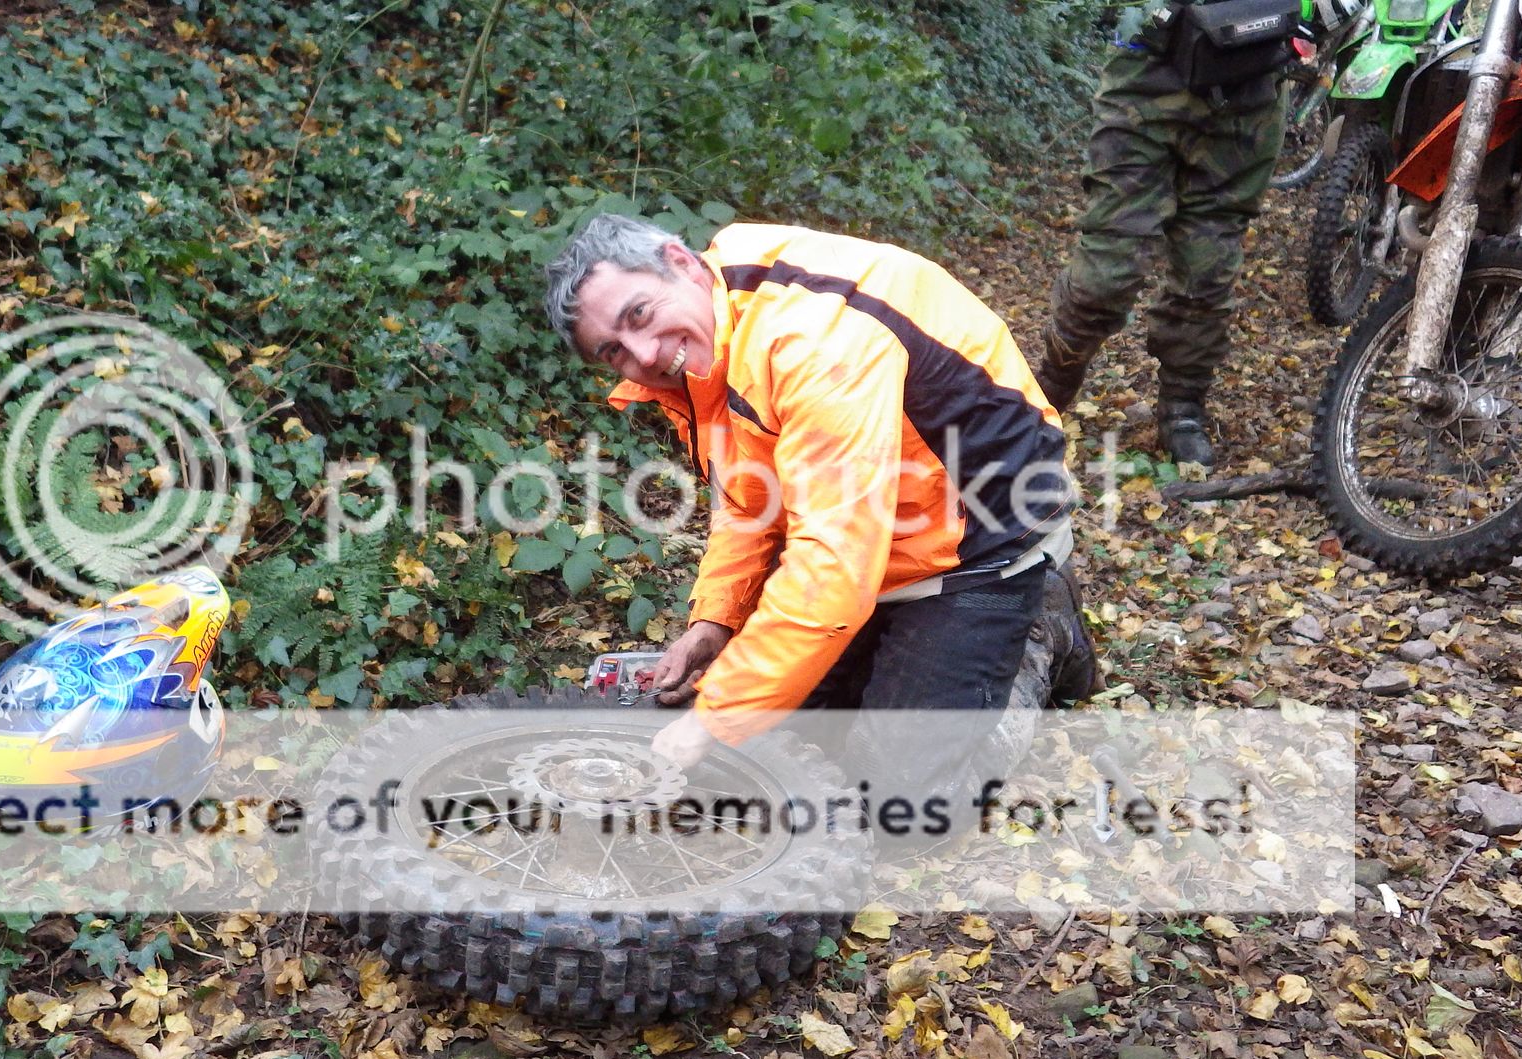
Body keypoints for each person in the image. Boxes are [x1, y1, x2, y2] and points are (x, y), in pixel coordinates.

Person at [543, 215, 1097, 790]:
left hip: (980, 542)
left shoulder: (810, 338)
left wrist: (713, 720)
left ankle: (1040, 631)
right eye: (614, 351)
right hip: (871, 539)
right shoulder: (705, 341)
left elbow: (834, 562)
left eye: (640, 314)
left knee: (898, 803)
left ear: (679, 262)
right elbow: (751, 498)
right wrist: (716, 620)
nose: (645, 352)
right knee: (790, 745)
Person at [1035, 15, 1289, 468]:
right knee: (1108, 270)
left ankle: (1182, 408)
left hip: (1248, 84)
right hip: (1148, 69)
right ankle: (1050, 386)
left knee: (1206, 270)